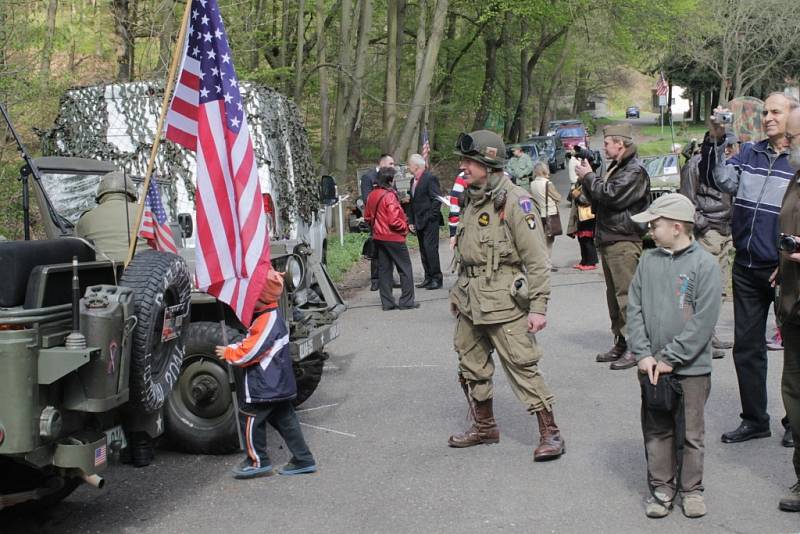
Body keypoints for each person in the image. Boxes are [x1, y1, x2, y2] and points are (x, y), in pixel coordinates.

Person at [448, 129, 564, 461]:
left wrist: (538, 307)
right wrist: (458, 294)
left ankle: (551, 433)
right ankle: (485, 427)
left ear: (489, 163)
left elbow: (538, 260)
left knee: (523, 366)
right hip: (471, 300)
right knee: (471, 365)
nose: (464, 167)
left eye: (469, 161)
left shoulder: (516, 202)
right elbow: (468, 253)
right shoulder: (473, 199)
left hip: (504, 303)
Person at [699, 92, 799, 446]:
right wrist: (715, 138)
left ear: (793, 115)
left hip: (784, 271)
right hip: (746, 266)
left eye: (776, 111)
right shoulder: (750, 152)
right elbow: (721, 180)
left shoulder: (798, 161)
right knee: (747, 348)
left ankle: (794, 423)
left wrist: (788, 258)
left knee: (794, 350)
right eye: (765, 112)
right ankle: (755, 419)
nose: (768, 117)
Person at [628, 193, 721, 519]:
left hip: (691, 368)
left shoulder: (705, 264)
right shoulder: (647, 260)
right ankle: (662, 487)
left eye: (656, 224)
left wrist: (672, 357)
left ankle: (692, 489)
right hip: (651, 366)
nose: (651, 230)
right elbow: (634, 309)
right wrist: (643, 353)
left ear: (678, 227)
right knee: (657, 429)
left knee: (691, 433)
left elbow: (704, 320)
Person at [215, 269, 317, 479]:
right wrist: (238, 345)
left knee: (250, 418)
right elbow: (255, 342)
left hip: (265, 385)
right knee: (286, 421)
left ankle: (256, 461)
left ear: (259, 298)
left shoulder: (266, 321)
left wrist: (230, 352)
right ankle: (303, 458)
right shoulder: (269, 317)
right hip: (277, 383)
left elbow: (253, 351)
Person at [575, 123, 650, 370]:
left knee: (627, 296)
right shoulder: (618, 167)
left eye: (607, 142)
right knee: (614, 297)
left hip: (624, 239)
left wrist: (588, 176)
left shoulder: (634, 170)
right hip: (610, 237)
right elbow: (597, 198)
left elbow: (610, 196)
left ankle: (635, 346)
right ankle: (621, 340)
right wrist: (589, 179)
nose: (604, 146)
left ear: (621, 143)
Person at [679, 132, 738, 359]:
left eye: (732, 147)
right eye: (729, 147)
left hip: (726, 231)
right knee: (701, 289)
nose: (731, 151)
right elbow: (686, 201)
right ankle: (698, 339)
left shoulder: (729, 168)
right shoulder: (695, 165)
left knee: (720, 288)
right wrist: (703, 227)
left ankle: (709, 333)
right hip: (708, 231)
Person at [777, 106, 800, 512]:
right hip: (792, 302)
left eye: (794, 136)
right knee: (794, 392)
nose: (786, 142)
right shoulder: (796, 175)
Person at [364, 167, 417, 310]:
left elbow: (367, 217)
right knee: (405, 268)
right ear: (390, 180)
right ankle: (406, 301)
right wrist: (405, 226)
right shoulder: (389, 196)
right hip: (394, 238)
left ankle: (387, 303)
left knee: (384, 270)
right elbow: (394, 221)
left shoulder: (372, 195)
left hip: (378, 237)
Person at [76, 170, 147, 262]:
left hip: (103, 274)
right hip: (146, 272)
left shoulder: (85, 219)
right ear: (132, 195)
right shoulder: (146, 213)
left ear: (100, 197)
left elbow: (77, 251)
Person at [408, 153, 443, 290]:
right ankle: (428, 277)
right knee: (423, 250)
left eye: (409, 164)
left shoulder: (430, 178)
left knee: (431, 250)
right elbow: (412, 202)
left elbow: (436, 199)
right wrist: (411, 220)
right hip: (418, 220)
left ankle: (436, 278)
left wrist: (431, 217)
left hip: (429, 221)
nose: (408, 167)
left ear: (416, 166)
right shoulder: (413, 181)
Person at [361, 154, 396, 291]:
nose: (393, 166)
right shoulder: (368, 177)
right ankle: (375, 280)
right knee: (376, 250)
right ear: (382, 164)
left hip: (390, 219)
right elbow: (367, 199)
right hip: (376, 220)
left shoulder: (390, 177)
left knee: (391, 249)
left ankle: (389, 278)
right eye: (391, 164)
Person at [529, 160, 562, 265]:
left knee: (542, 240)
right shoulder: (547, 184)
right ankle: (547, 262)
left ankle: (542, 261)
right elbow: (558, 197)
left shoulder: (532, 184)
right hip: (550, 214)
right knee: (549, 241)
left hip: (539, 214)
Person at [566, 181, 598, 271]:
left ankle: (591, 262)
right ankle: (584, 261)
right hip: (580, 216)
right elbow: (569, 198)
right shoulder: (578, 183)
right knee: (581, 240)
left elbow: (588, 201)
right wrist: (573, 191)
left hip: (588, 217)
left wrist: (578, 195)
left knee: (587, 240)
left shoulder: (590, 183)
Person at [448, 171, 468, 251]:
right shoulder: (503, 175)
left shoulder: (463, 176)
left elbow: (454, 207)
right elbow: (455, 205)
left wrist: (453, 234)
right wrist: (453, 233)